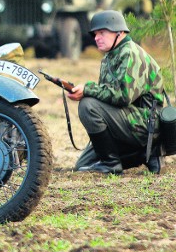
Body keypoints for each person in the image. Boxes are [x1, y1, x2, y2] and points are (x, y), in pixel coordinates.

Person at [67, 10, 164, 175]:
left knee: (88, 106)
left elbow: (123, 96)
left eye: (102, 33)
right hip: (126, 121)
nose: (96, 38)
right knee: (82, 166)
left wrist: (87, 90)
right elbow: (106, 97)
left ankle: (111, 163)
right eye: (95, 34)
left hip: (146, 123)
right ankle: (143, 154)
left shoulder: (130, 53)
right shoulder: (110, 56)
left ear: (119, 33)